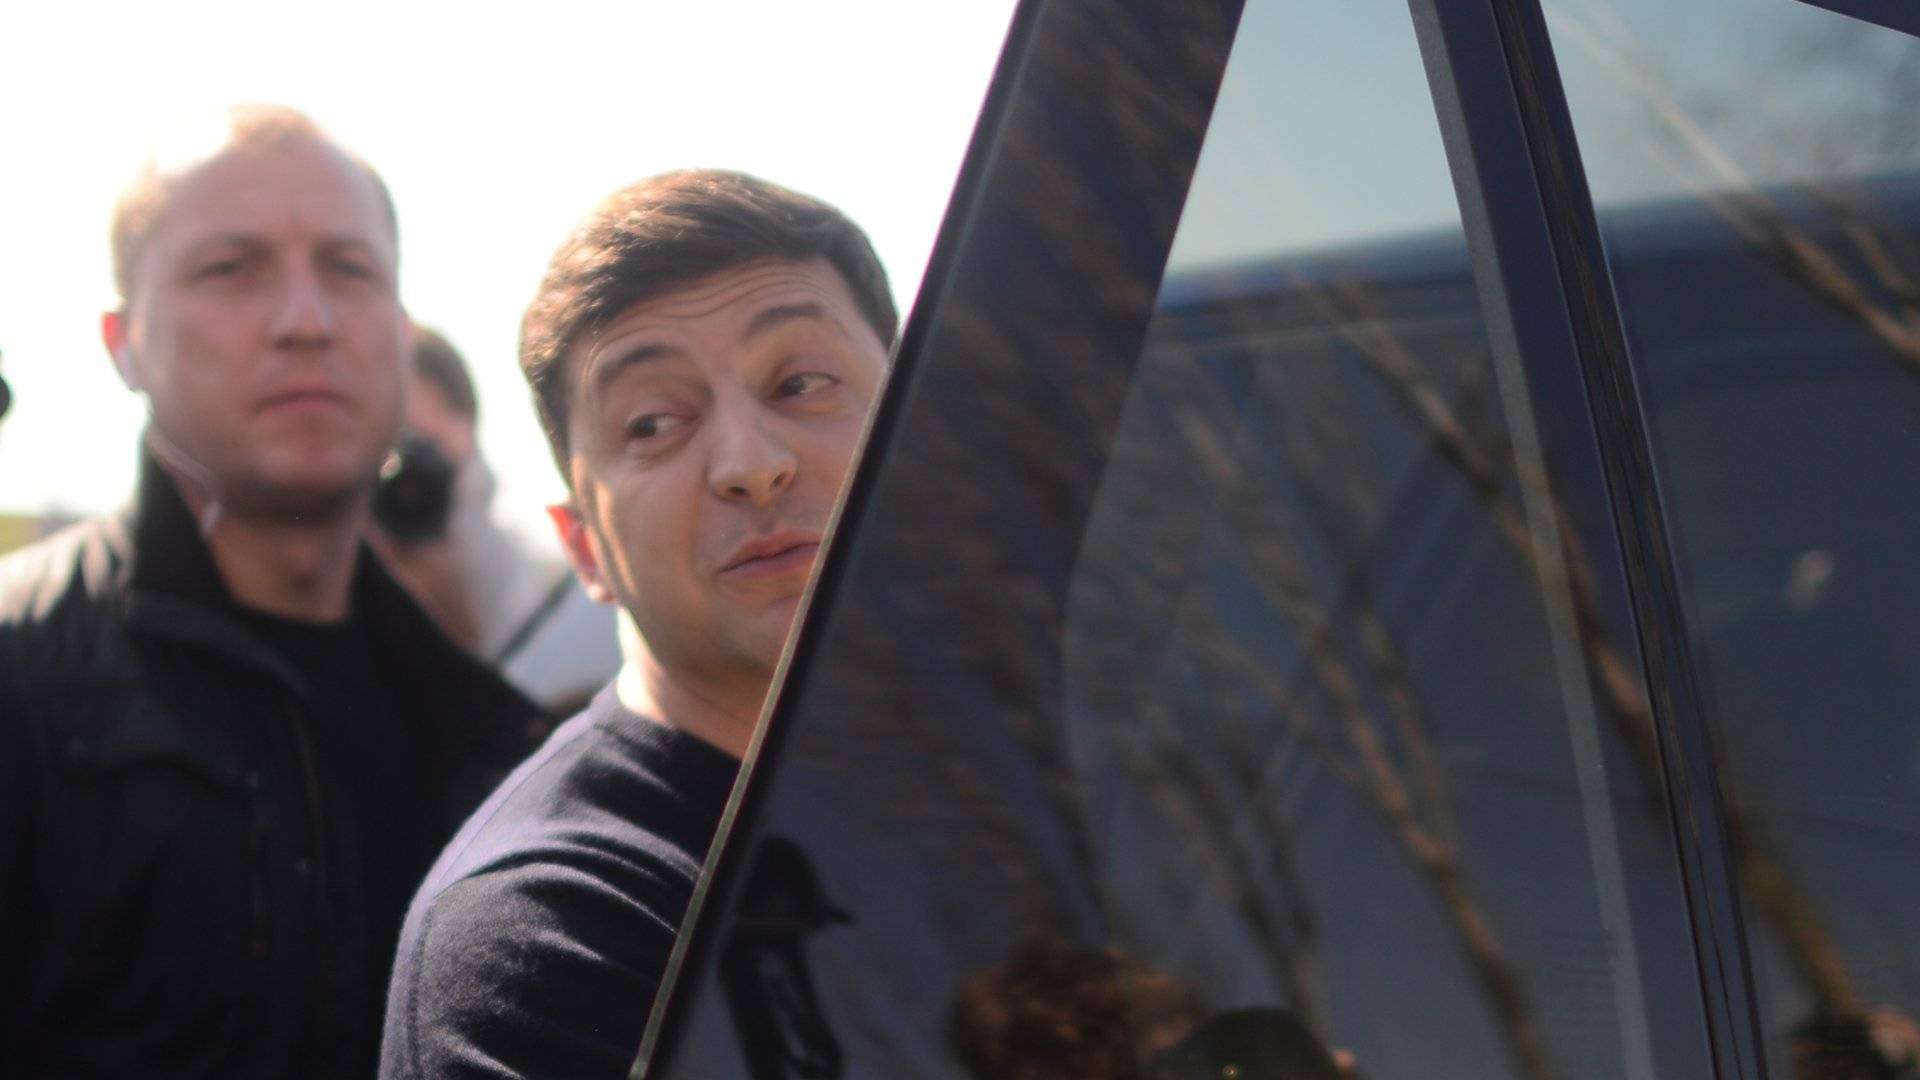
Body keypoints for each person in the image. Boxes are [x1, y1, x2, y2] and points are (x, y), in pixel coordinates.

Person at [0, 105, 547, 1078]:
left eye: (350, 268)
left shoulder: (490, 737)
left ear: (400, 330)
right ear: (124, 343)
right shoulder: (22, 681)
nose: (306, 320)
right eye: (231, 268)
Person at [379, 169, 898, 1079]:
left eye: (801, 382)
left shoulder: (1040, 768)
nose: (751, 464)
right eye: (654, 424)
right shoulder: (548, 936)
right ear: (584, 548)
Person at [370, 326, 619, 714]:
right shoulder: (340, 557)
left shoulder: (519, 573)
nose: (402, 473)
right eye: (385, 450)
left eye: (420, 443)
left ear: (465, 426)